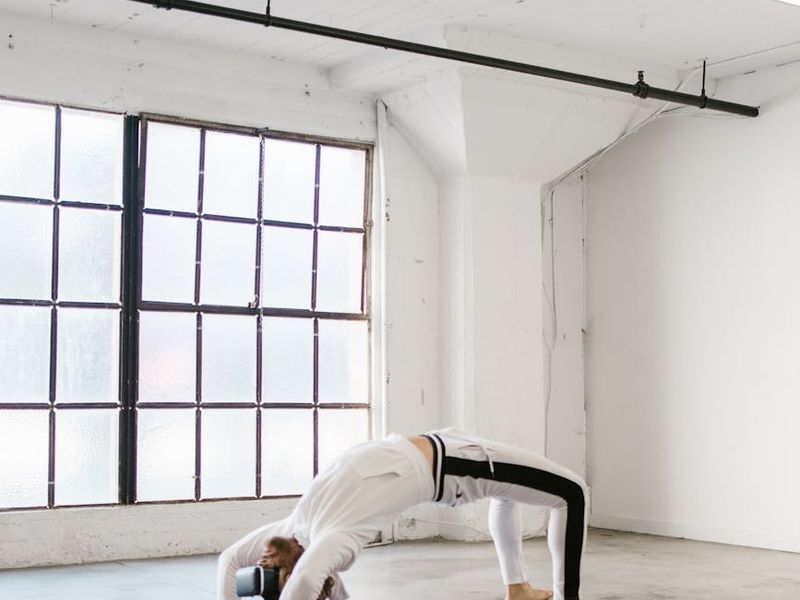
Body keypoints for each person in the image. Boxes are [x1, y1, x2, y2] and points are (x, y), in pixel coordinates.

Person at [217, 428, 589, 600]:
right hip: (452, 464)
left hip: (457, 459)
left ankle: (518, 589)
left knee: (545, 494)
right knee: (571, 493)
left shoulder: (332, 540)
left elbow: (300, 584)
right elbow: (232, 561)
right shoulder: (296, 524)